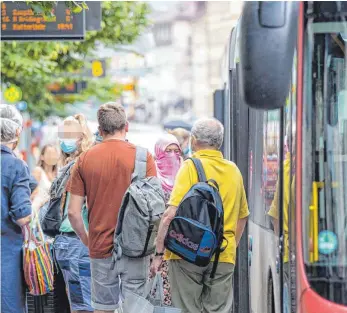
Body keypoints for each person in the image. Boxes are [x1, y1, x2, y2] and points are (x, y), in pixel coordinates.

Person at [151, 118, 250, 313]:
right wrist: (229, 245)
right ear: (219, 142)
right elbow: (243, 216)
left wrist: (159, 253)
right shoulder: (234, 170)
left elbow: (170, 215)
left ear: (194, 140)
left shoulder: (190, 167)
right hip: (223, 253)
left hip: (186, 252)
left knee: (188, 308)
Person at [67, 102, 157, 313]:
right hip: (136, 247)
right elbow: (156, 208)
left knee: (103, 308)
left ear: (100, 130)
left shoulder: (84, 160)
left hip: (100, 246)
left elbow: (73, 212)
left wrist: (88, 240)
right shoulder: (144, 158)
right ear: (126, 126)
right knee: (136, 308)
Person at [53, 114, 94, 313]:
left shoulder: (74, 165)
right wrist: (87, 240)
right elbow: (73, 213)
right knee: (82, 305)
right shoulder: (76, 165)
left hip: (67, 242)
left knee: (77, 303)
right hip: (76, 241)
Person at [1, 104, 32, 313]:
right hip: (6, 250)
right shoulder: (16, 166)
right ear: (17, 133)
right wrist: (39, 199)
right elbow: (23, 216)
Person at [153, 134, 182, 306]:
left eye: (175, 151)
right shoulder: (152, 178)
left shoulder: (186, 175)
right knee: (160, 299)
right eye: (167, 151)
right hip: (158, 249)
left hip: (182, 248)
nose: (172, 155)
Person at [31, 144, 59, 211]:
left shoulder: (58, 173)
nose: (52, 156)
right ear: (42, 157)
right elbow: (31, 194)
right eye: (49, 153)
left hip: (52, 213)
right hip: (38, 210)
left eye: (54, 154)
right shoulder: (38, 171)